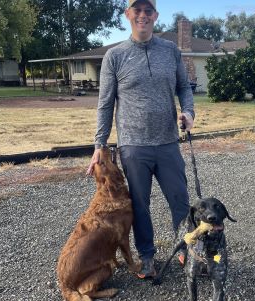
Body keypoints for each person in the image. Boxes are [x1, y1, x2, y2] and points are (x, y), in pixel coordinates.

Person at [86, 0, 195, 279]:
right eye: (138, 10)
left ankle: (186, 250)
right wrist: (100, 145)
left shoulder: (171, 51)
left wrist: (188, 112)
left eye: (148, 11)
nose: (143, 16)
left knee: (180, 200)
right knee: (140, 206)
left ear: (156, 15)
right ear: (128, 15)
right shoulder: (115, 56)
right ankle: (147, 257)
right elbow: (105, 103)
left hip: (168, 141)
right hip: (133, 146)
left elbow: (184, 88)